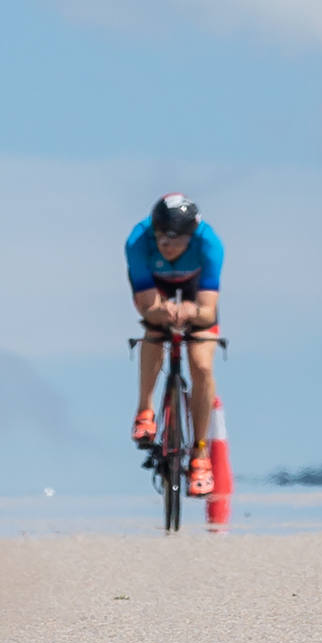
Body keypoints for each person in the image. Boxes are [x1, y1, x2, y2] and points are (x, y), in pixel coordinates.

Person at [125, 193, 224, 497]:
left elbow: (207, 310)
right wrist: (162, 311)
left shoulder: (210, 244)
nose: (166, 245)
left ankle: (200, 455)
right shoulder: (138, 241)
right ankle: (145, 410)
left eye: (174, 239)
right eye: (161, 238)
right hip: (156, 287)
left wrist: (191, 312)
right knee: (155, 329)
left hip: (196, 292)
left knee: (202, 364)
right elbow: (145, 304)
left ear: (190, 236)